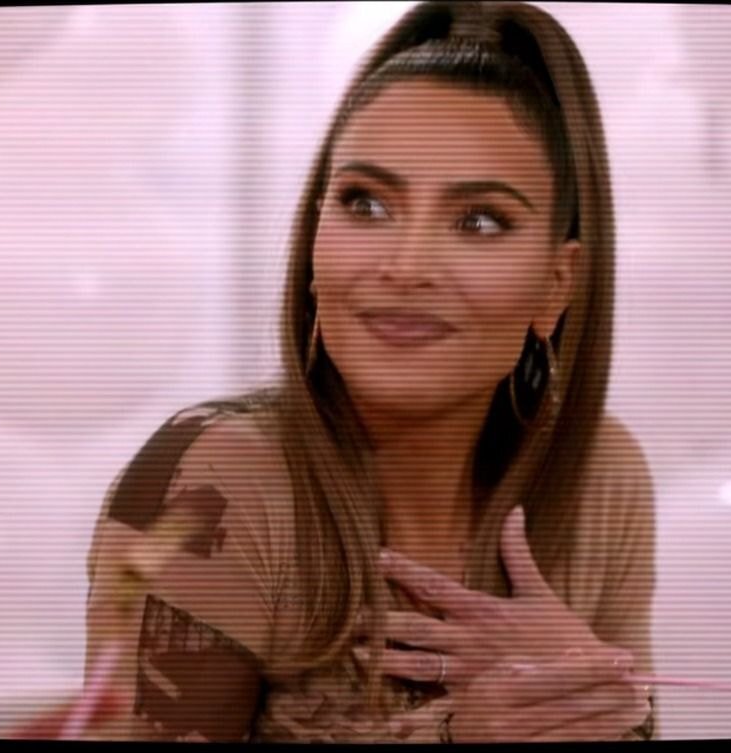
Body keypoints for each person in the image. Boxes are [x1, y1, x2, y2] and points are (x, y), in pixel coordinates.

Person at [81, 1, 657, 742]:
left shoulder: (599, 474)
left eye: (480, 220)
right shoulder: (212, 482)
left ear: (556, 284)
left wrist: (595, 692)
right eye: (366, 203)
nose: (406, 266)